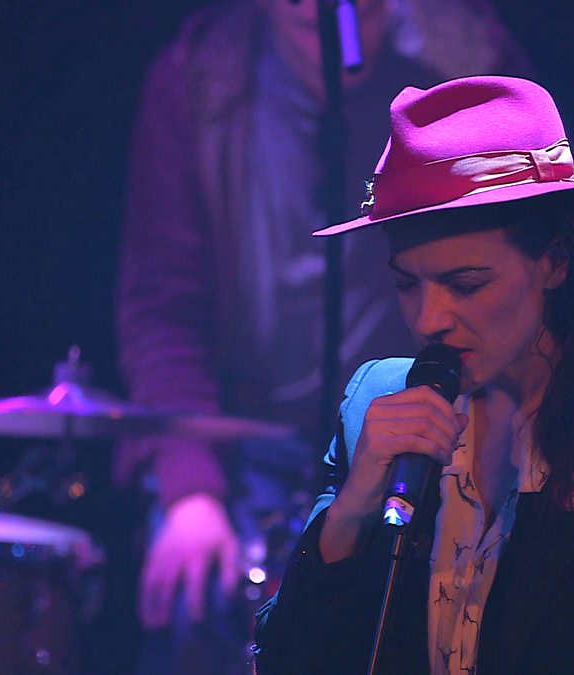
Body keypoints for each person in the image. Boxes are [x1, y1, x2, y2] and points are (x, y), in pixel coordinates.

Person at [253, 76, 574, 673]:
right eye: (407, 285)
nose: (429, 319)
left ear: (555, 261)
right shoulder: (375, 403)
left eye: (466, 284)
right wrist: (351, 513)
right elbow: (288, 660)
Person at [114, 1, 529, 671]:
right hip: (247, 443)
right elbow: (164, 305)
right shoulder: (199, 79)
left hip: (431, 423)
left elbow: (562, 235)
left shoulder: (465, 58)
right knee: (195, 603)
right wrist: (190, 487)